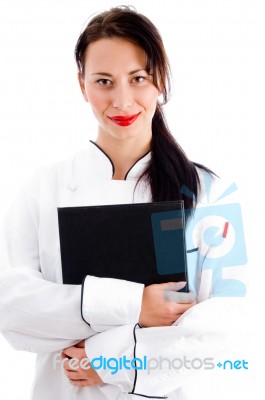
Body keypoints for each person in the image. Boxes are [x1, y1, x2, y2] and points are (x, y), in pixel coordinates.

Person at [0, 6, 246, 400]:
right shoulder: (43, 189)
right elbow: (12, 309)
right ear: (82, 85)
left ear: (159, 80)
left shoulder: (208, 191)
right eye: (104, 81)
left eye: (138, 78)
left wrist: (111, 361)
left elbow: (227, 323)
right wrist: (136, 306)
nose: (122, 99)